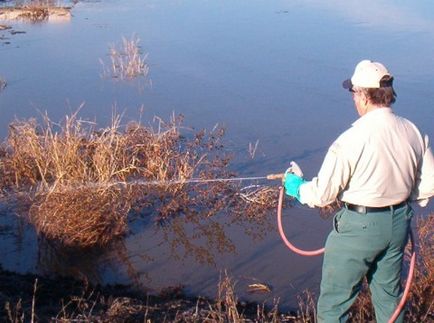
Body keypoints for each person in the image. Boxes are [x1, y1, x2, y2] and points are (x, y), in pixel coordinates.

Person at [283, 59, 434, 322]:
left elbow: (321, 195)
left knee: (334, 305)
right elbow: (428, 186)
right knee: (389, 300)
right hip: (398, 224)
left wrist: (296, 187)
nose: (353, 99)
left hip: (358, 228)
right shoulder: (412, 130)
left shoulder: (351, 139)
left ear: (364, 95)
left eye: (354, 93)